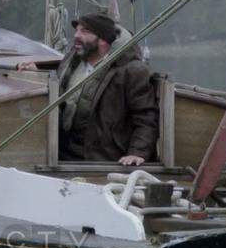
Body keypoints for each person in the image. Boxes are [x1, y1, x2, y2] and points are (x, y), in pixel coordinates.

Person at [18, 12, 158, 166]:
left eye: (85, 31)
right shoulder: (72, 61)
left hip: (104, 158)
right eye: (77, 30)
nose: (77, 36)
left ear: (103, 39)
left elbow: (146, 117)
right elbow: (57, 89)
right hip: (62, 154)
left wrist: (137, 152)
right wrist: (36, 73)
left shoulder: (131, 71)